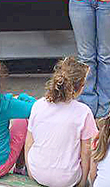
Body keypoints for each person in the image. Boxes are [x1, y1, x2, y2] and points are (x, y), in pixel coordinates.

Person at [25, 56, 98, 187]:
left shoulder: (38, 105)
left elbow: (29, 143)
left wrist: (31, 171)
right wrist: (82, 182)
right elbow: (86, 151)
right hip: (67, 179)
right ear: (80, 88)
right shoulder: (84, 112)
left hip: (37, 173)